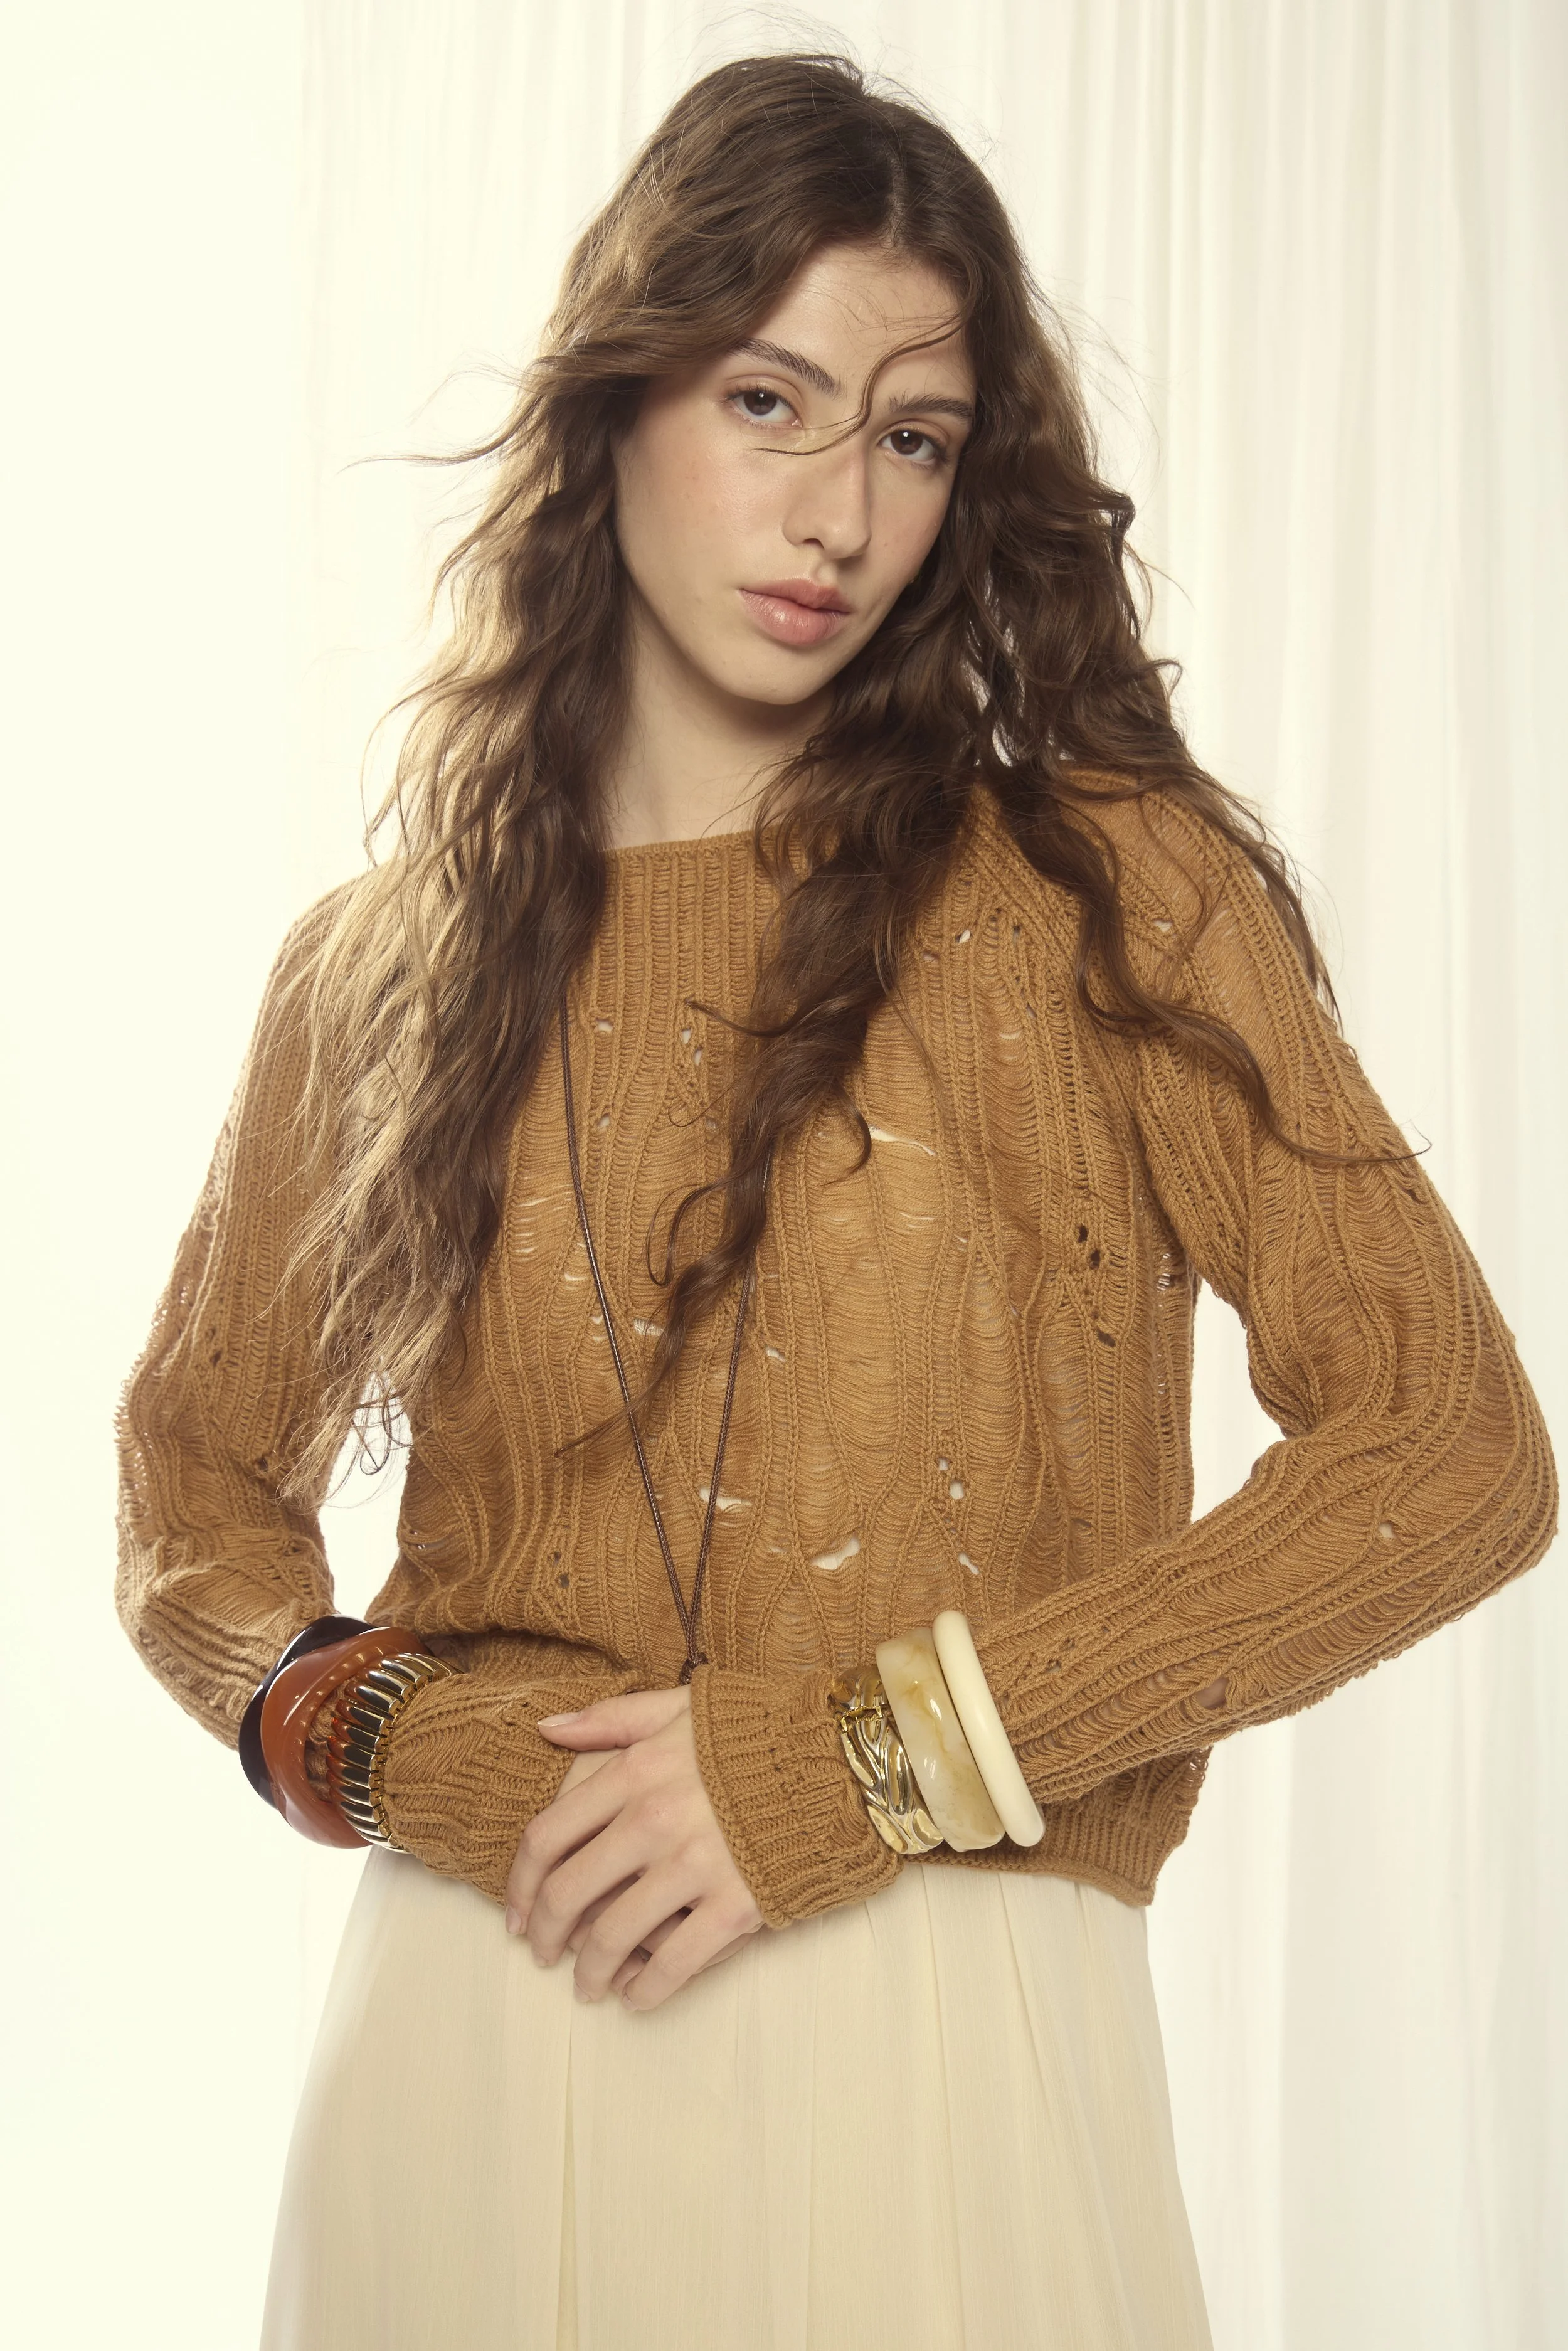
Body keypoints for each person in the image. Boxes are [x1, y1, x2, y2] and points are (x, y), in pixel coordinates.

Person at [114, 51, 1557, 2351]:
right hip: (468, 2034)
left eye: (911, 434)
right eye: (768, 400)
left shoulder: (1102, 890)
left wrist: (878, 1750)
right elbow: (194, 1483)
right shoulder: (376, 963)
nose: (839, 513)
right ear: (614, 406)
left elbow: (1453, 1451)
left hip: (942, 2029)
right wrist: (400, 1747)